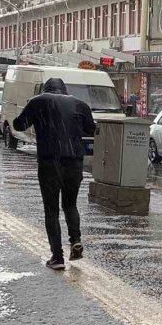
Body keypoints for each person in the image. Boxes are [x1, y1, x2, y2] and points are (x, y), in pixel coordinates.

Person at [13, 79, 96, 270]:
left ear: (46, 89)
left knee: (51, 210)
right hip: (74, 160)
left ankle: (57, 257)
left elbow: (19, 125)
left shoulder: (38, 101)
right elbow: (91, 129)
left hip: (51, 160)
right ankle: (75, 240)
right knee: (70, 204)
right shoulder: (80, 104)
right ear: (64, 90)